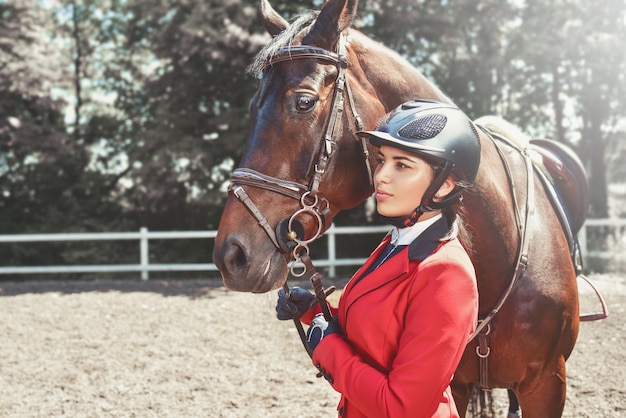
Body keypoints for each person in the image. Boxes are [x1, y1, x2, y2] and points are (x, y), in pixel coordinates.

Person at [276, 100, 481, 418]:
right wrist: (314, 311)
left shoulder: (447, 274)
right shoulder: (396, 242)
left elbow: (402, 407)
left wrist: (327, 347)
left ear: (445, 186)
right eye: (382, 160)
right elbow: (379, 334)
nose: (381, 176)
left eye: (402, 165)